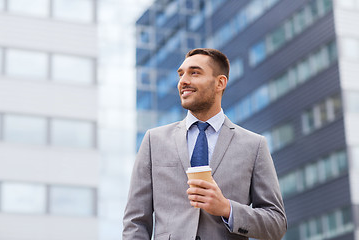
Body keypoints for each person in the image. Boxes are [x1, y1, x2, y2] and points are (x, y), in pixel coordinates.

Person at [123, 48, 287, 240]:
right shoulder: (154, 140)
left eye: (194, 73)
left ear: (220, 83)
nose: (183, 80)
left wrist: (227, 208)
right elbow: (135, 222)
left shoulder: (254, 145)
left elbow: (276, 223)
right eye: (181, 74)